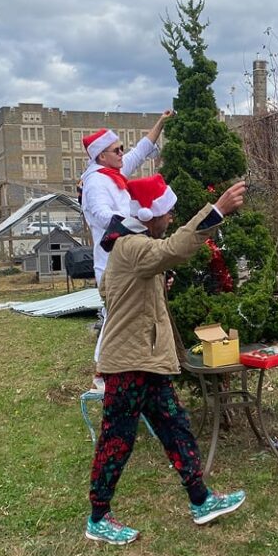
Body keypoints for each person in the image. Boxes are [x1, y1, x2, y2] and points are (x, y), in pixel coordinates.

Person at [85, 174, 247, 545]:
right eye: (168, 212)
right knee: (117, 440)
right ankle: (98, 517)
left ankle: (201, 500)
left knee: (176, 427)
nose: (172, 217)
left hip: (148, 360)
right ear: (150, 214)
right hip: (128, 363)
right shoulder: (132, 246)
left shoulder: (129, 249)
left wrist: (154, 283)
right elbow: (172, 250)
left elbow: (112, 290)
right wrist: (216, 211)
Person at [80, 111, 172, 389]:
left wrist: (160, 122)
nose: (122, 153)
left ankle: (124, 367)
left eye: (121, 148)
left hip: (128, 258)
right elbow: (101, 215)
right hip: (111, 262)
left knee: (126, 316)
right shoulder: (96, 183)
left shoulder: (113, 173)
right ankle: (102, 372)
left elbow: (140, 151)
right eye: (116, 150)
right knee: (115, 316)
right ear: (101, 156)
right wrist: (139, 223)